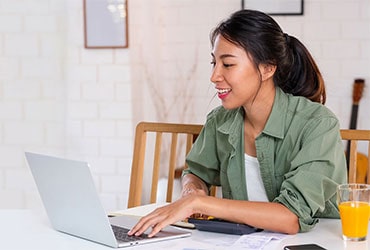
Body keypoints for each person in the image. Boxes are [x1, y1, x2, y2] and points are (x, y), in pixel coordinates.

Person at [128, 9, 347, 237]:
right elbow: (196, 171)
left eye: (228, 64)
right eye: (214, 63)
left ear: (267, 68)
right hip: (242, 241)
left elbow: (290, 217)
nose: (214, 76)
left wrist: (199, 204)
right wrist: (191, 190)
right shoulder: (219, 120)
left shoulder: (318, 124)